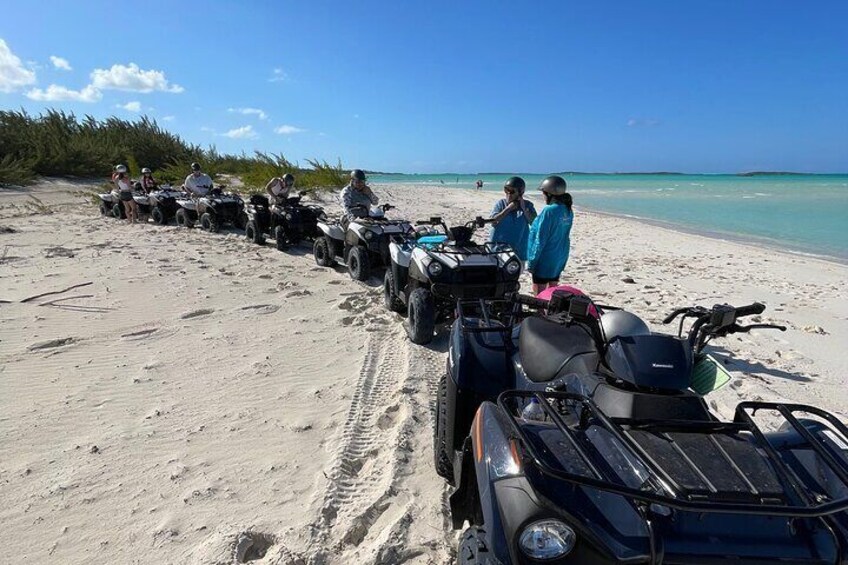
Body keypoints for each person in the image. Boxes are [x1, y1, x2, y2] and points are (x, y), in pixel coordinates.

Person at [527, 175, 574, 295]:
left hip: (545, 258)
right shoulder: (568, 210)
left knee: (540, 296)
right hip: (559, 257)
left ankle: (541, 313)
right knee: (552, 292)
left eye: (543, 192)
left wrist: (532, 262)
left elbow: (540, 239)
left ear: (549, 193)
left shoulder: (549, 211)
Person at [488, 176, 536, 260]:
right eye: (506, 190)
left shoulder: (528, 205)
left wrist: (524, 208)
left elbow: (534, 223)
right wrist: (508, 209)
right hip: (498, 250)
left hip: (518, 250)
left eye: (512, 191)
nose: (508, 194)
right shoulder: (501, 204)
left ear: (520, 193)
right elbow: (493, 222)